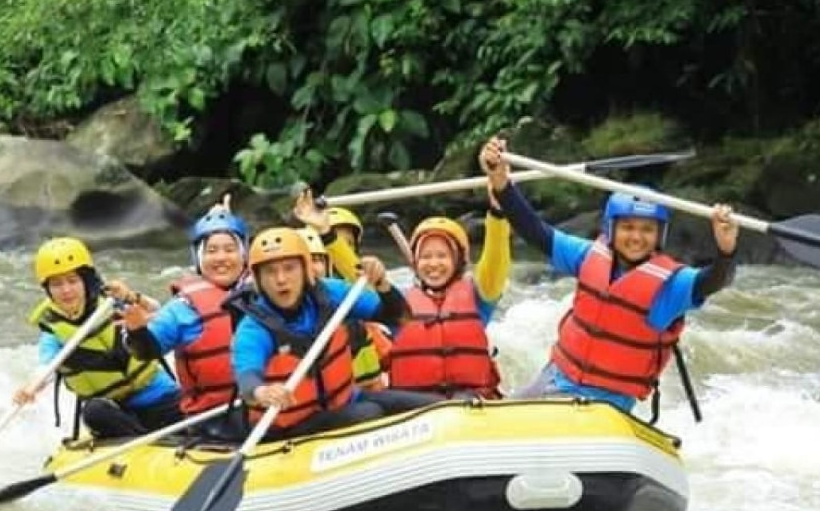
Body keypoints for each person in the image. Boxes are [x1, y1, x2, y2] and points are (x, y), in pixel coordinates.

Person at [479, 136, 740, 413]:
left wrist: (726, 251)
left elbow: (713, 281)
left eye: (647, 229)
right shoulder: (589, 255)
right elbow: (536, 231)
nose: (636, 237)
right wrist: (502, 184)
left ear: (659, 235)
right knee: (496, 417)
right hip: (557, 378)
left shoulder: (671, 285)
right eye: (628, 227)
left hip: (607, 403)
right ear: (611, 228)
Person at [229, 227, 432, 439]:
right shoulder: (254, 327)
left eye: (289, 268)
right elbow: (247, 377)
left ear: (306, 269)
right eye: (270, 271)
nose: (281, 279)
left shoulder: (331, 293)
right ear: (258, 280)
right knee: (368, 414)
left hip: (344, 401)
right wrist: (260, 392)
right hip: (287, 429)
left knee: (431, 408)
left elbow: (396, 317)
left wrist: (382, 284)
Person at [13, 237, 182, 438]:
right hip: (116, 414)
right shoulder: (53, 331)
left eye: (72, 280)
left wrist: (131, 297)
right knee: (93, 412)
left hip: (159, 397)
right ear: (47, 289)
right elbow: (45, 368)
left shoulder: (112, 302)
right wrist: (30, 388)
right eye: (56, 284)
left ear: (86, 280)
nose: (66, 290)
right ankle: (145, 443)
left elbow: (161, 313)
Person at [123, 206, 250, 426]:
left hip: (269, 408)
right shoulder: (182, 308)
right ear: (198, 258)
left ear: (243, 254)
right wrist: (137, 332)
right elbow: (147, 349)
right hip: (215, 420)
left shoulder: (268, 289)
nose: (221, 258)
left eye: (230, 249)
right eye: (211, 251)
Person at [388, 213, 511, 399]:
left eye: (442, 256)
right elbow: (357, 283)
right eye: (426, 257)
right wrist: (331, 238)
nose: (433, 263)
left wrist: (497, 215)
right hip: (414, 407)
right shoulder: (398, 303)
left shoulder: (480, 296)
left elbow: (495, 259)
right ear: (415, 262)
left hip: (471, 402)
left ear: (458, 261)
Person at [298, 226, 393, 391]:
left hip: (354, 401)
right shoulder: (266, 319)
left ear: (328, 265)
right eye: (304, 261)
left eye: (317, 260)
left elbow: (394, 313)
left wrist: (380, 281)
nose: (312, 268)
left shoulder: (354, 319)